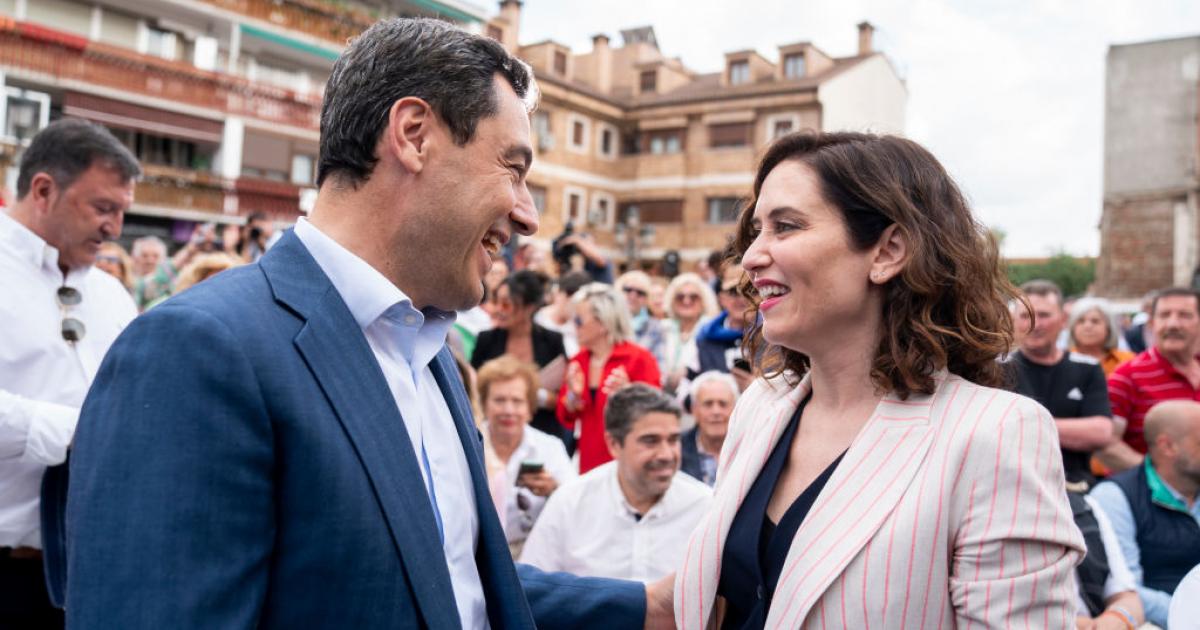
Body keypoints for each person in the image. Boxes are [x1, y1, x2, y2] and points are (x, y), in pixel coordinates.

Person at [66, 18, 656, 629]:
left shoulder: (429, 353)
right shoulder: (196, 351)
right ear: (414, 135)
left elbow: (448, 581)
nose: (529, 215)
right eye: (512, 167)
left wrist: (650, 608)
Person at [674, 131, 1083, 629]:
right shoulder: (761, 405)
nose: (753, 255)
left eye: (785, 227)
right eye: (756, 231)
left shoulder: (995, 432)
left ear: (889, 251)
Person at [0, 118, 140, 627]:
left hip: (89, 571)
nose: (116, 228)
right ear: (43, 190)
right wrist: (75, 432)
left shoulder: (112, 294)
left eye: (123, 211)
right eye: (104, 208)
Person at [522, 384, 711, 581]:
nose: (666, 454)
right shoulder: (571, 503)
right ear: (613, 444)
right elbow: (532, 587)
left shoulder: (704, 507)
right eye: (650, 441)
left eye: (673, 440)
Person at [1090, 399, 1200, 628]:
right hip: (1154, 622)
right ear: (1168, 446)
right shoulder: (1115, 497)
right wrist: (1188, 612)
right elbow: (1125, 589)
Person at [1009, 279, 1114, 488]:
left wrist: (1025, 426)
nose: (1035, 324)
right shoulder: (997, 370)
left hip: (1077, 488)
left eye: (1044, 315)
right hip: (1015, 488)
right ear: (1013, 321)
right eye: (1025, 316)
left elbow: (1101, 432)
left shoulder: (1088, 368)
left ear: (1063, 320)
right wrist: (1071, 430)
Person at [558, 283, 662, 473]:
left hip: (630, 462)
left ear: (603, 323)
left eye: (579, 320)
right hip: (589, 463)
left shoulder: (639, 359)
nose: (574, 326)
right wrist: (573, 395)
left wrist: (628, 393)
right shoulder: (578, 360)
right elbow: (566, 416)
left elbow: (656, 414)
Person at [476, 356, 574, 556]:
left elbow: (575, 504)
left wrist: (553, 490)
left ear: (530, 409)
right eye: (499, 400)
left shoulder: (550, 448)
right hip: (477, 552)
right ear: (484, 404)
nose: (508, 410)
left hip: (534, 554)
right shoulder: (470, 443)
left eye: (517, 401)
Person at [1100, 287, 1200, 474]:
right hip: (1152, 499)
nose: (1172, 324)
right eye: (1164, 315)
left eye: (1184, 315)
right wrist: (1158, 477)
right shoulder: (1127, 376)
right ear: (1152, 323)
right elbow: (1107, 445)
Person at [472, 270, 571, 450]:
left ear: (529, 307)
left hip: (543, 435)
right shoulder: (486, 340)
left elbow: (567, 394)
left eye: (506, 305)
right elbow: (473, 390)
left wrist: (543, 398)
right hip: (494, 436)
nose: (499, 310)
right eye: (496, 302)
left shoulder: (552, 341)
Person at [681, 260, 755, 393]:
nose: (742, 298)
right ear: (721, 299)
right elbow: (685, 389)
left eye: (750, 290)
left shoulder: (776, 337)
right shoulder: (704, 337)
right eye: (734, 292)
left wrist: (759, 388)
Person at [660, 272, 719, 394]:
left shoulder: (711, 330)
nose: (686, 301)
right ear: (672, 300)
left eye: (694, 297)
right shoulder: (662, 328)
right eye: (680, 297)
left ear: (704, 301)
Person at [680, 371, 737, 486]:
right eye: (708, 404)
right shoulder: (677, 448)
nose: (716, 411)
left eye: (723, 404)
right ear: (694, 409)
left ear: (736, 409)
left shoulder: (749, 448)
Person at [1069, 297, 1136, 376]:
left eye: (1095, 321)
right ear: (1073, 328)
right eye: (1081, 321)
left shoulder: (1128, 361)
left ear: (1108, 328)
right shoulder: (1060, 362)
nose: (1087, 326)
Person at [616, 269, 667, 370]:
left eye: (640, 293)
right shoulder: (604, 324)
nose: (633, 296)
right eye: (628, 290)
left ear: (647, 299)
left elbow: (659, 367)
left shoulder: (655, 328)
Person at [534, 270, 590, 357]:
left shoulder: (579, 324)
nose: (573, 308)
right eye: (570, 301)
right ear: (559, 294)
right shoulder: (538, 320)